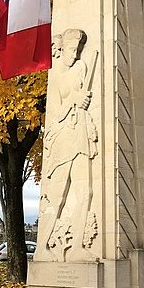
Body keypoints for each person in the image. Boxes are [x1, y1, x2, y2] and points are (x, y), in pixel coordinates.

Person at [37, 29, 98, 260]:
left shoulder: (81, 67)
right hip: (63, 138)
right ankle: (43, 246)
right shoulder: (56, 75)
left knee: (86, 191)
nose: (75, 54)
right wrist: (74, 100)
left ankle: (79, 247)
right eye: (72, 49)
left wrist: (81, 101)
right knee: (58, 194)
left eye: (78, 50)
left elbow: (80, 95)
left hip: (81, 130)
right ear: (62, 49)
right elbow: (56, 112)